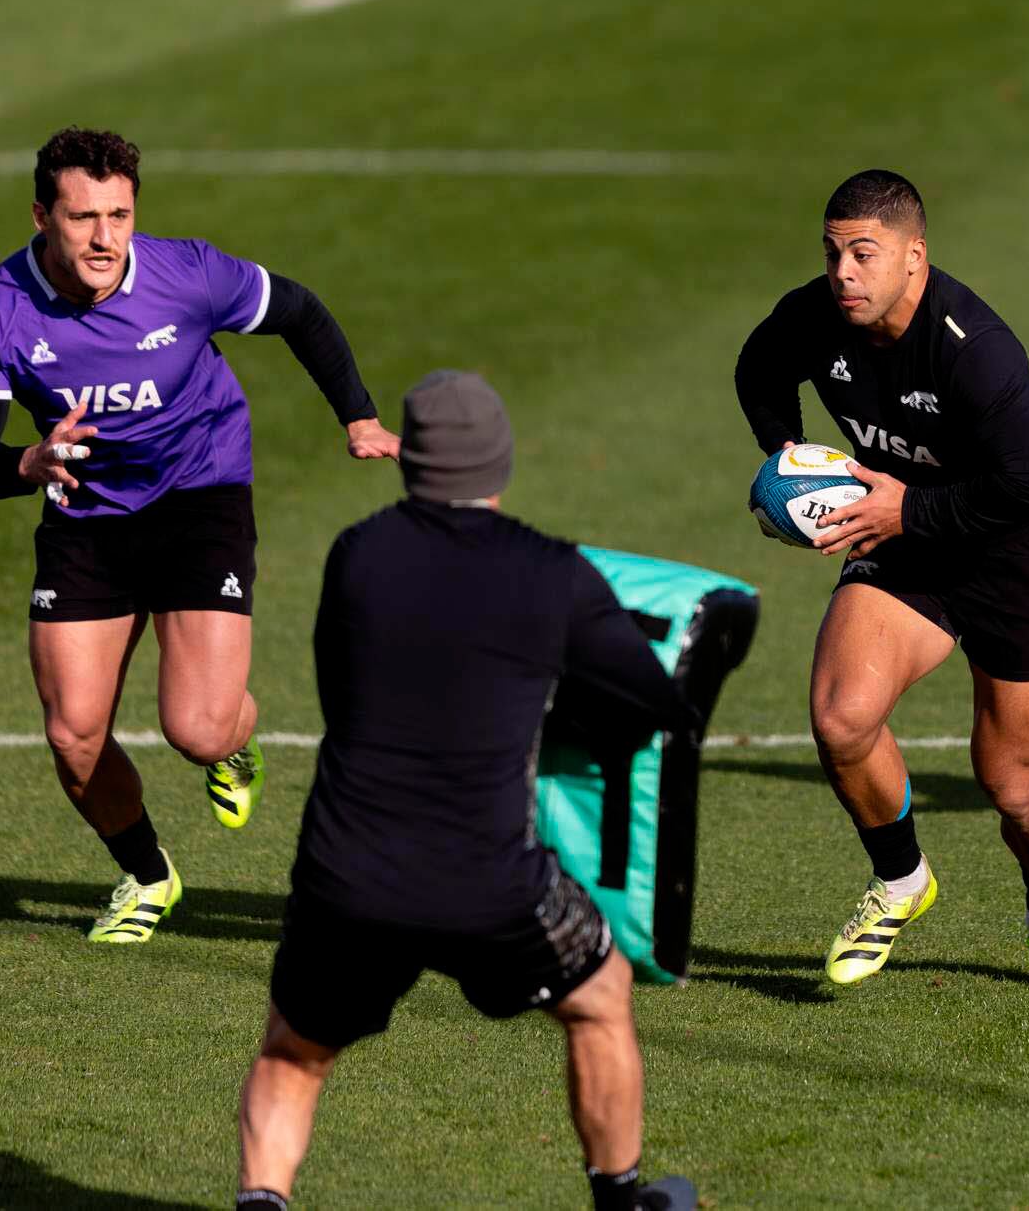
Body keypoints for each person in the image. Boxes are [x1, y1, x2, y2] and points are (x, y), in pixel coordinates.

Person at [237, 371, 698, 1211]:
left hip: (347, 877)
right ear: (500, 462)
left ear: (409, 460)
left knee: (294, 1052)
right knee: (599, 999)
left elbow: (350, 690)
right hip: (490, 882)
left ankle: (262, 1201)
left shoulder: (357, 554)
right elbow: (656, 705)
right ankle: (619, 1199)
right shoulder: (552, 573)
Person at [0, 126, 399, 943]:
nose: (105, 238)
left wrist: (358, 416)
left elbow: (300, 311)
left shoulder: (188, 273)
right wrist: (28, 461)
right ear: (42, 215)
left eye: (119, 214)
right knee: (72, 736)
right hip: (84, 512)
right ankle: (149, 875)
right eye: (83, 217)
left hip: (200, 494)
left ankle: (235, 738)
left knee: (197, 727)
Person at [733, 170, 1029, 991]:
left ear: (914, 259)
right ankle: (901, 879)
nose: (844, 273)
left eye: (864, 253)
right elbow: (759, 368)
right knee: (841, 716)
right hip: (899, 534)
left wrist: (915, 512)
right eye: (832, 254)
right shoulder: (813, 319)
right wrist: (790, 457)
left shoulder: (976, 348)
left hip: (1011, 552)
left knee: (1013, 787)